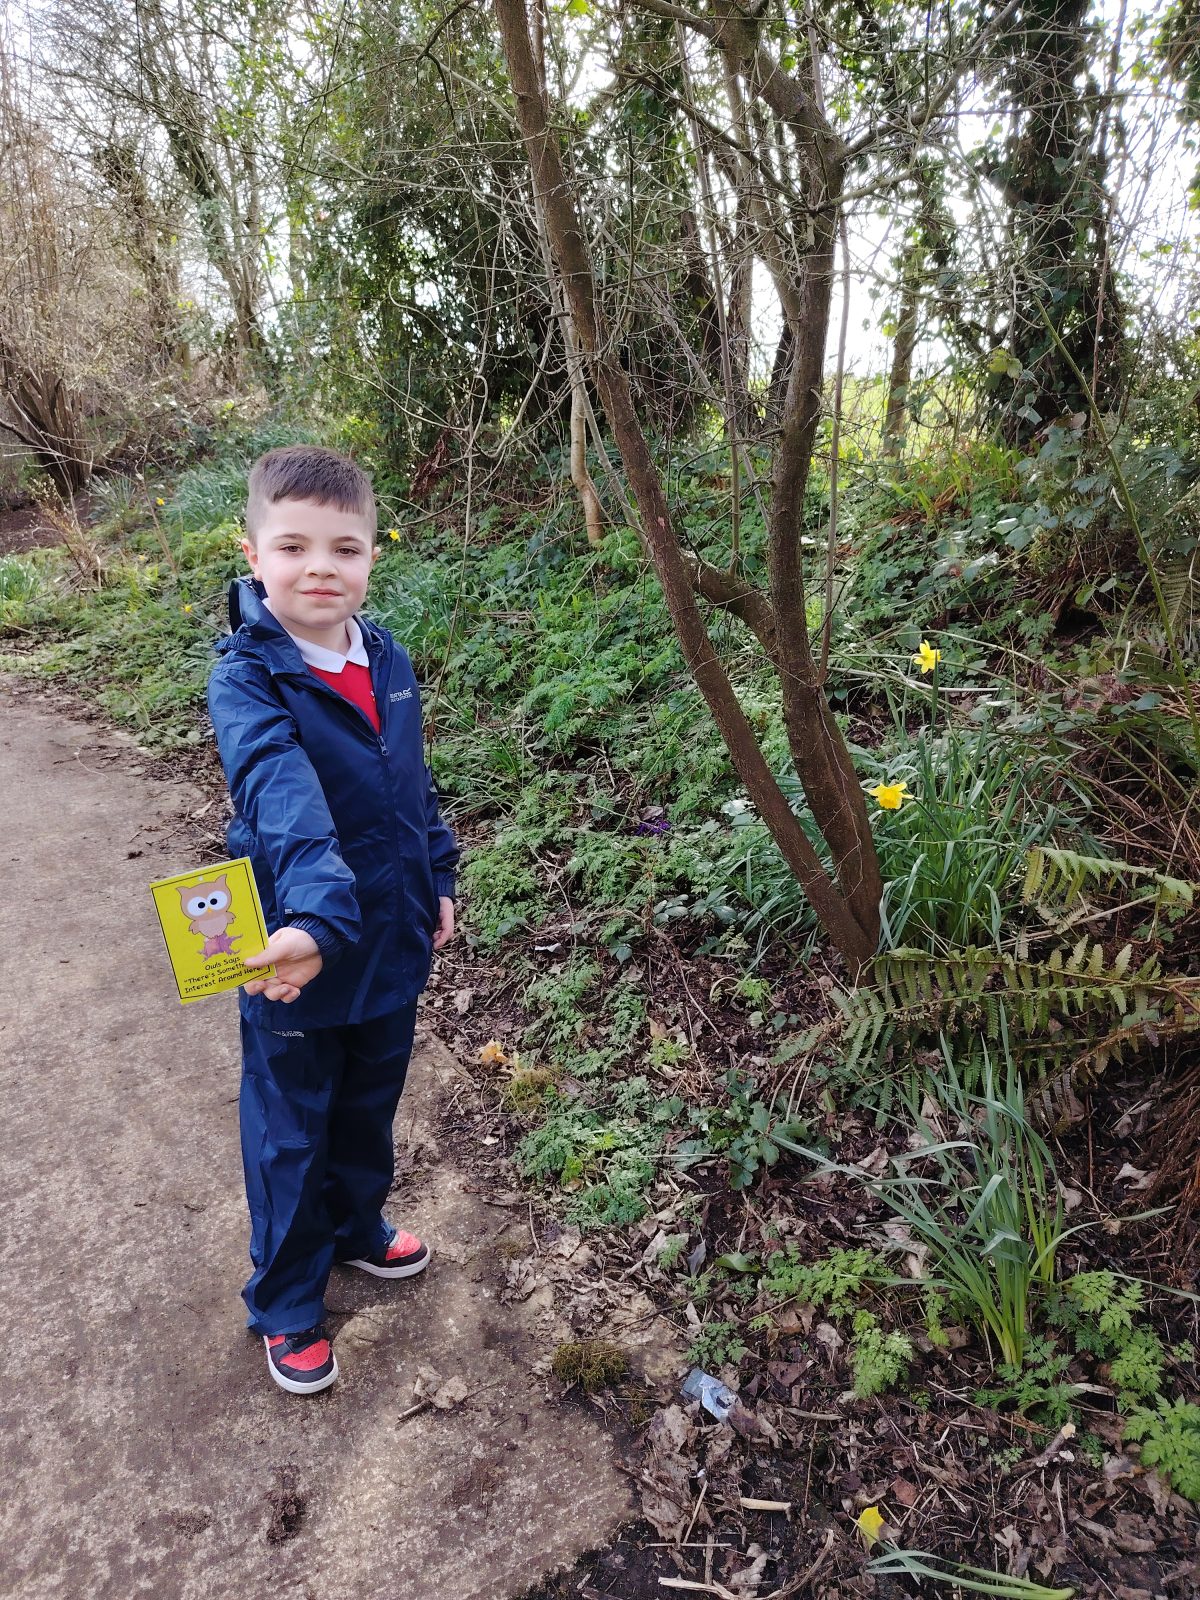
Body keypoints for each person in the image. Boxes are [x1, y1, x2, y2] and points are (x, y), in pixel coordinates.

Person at [206, 444, 459, 1395]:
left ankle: (356, 1228)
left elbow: (412, 786)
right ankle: (286, 1300)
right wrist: (315, 921)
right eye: (294, 547)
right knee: (290, 1131)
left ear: (371, 557)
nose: (321, 568)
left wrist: (437, 874)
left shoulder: (385, 657)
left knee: (367, 1104)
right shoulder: (248, 679)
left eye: (345, 549)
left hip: (390, 938)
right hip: (296, 950)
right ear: (253, 553)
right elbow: (283, 797)